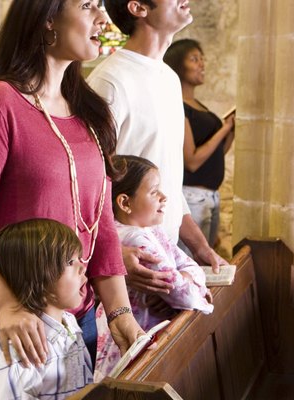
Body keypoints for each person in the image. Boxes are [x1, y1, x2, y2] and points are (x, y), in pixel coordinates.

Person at [0, 0, 145, 370]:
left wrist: (120, 312)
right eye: (88, 5)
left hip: (79, 312)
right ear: (48, 18)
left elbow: (101, 224)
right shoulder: (1, 103)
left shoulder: (90, 111)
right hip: (18, 320)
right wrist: (9, 306)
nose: (103, 18)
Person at [86, 0, 226, 296]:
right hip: (129, 261)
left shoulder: (169, 79)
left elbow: (171, 183)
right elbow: (88, 186)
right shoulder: (110, 81)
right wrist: (112, 257)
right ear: (138, 8)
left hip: (166, 250)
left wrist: (199, 247)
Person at [94, 155, 213, 380]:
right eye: (154, 192)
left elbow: (189, 265)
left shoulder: (151, 230)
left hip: (150, 333)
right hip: (133, 335)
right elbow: (184, 294)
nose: (164, 197)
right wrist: (191, 279)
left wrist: (188, 274)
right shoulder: (135, 240)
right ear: (125, 203)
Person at [0, 219, 93, 399]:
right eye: (70, 262)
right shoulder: (19, 353)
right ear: (36, 279)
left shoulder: (68, 322)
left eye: (79, 258)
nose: (82, 267)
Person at [163, 39, 235, 249]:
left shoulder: (199, 106)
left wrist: (231, 131)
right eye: (195, 59)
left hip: (211, 196)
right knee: (193, 263)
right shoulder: (178, 106)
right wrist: (223, 128)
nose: (202, 64)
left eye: (202, 59)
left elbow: (216, 154)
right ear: (178, 65)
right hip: (192, 197)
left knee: (206, 264)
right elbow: (193, 161)